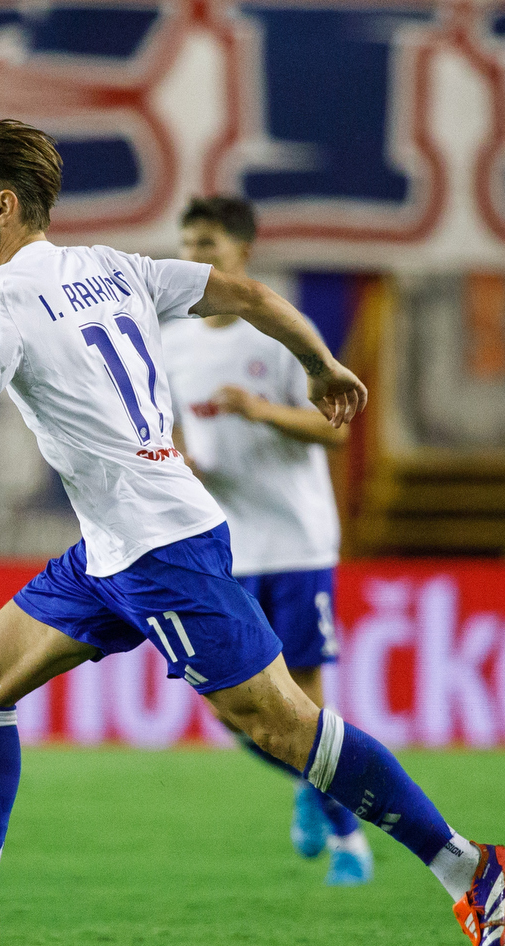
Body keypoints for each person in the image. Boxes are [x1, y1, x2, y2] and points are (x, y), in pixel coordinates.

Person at [0, 120, 505, 946]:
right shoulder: (113, 267)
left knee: (281, 725)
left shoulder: (2, 302)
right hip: (116, 548)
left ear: (4, 207)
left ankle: (468, 866)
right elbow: (242, 294)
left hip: (162, 550)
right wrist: (317, 362)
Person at [161, 196, 372, 886]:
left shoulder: (278, 333)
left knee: (301, 704)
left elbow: (331, 425)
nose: (195, 259)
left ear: (243, 254)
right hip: (227, 547)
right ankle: (312, 789)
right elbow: (176, 433)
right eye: (188, 245)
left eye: (209, 246)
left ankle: (348, 839)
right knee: (231, 711)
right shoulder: (172, 337)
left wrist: (258, 410)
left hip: (295, 539)